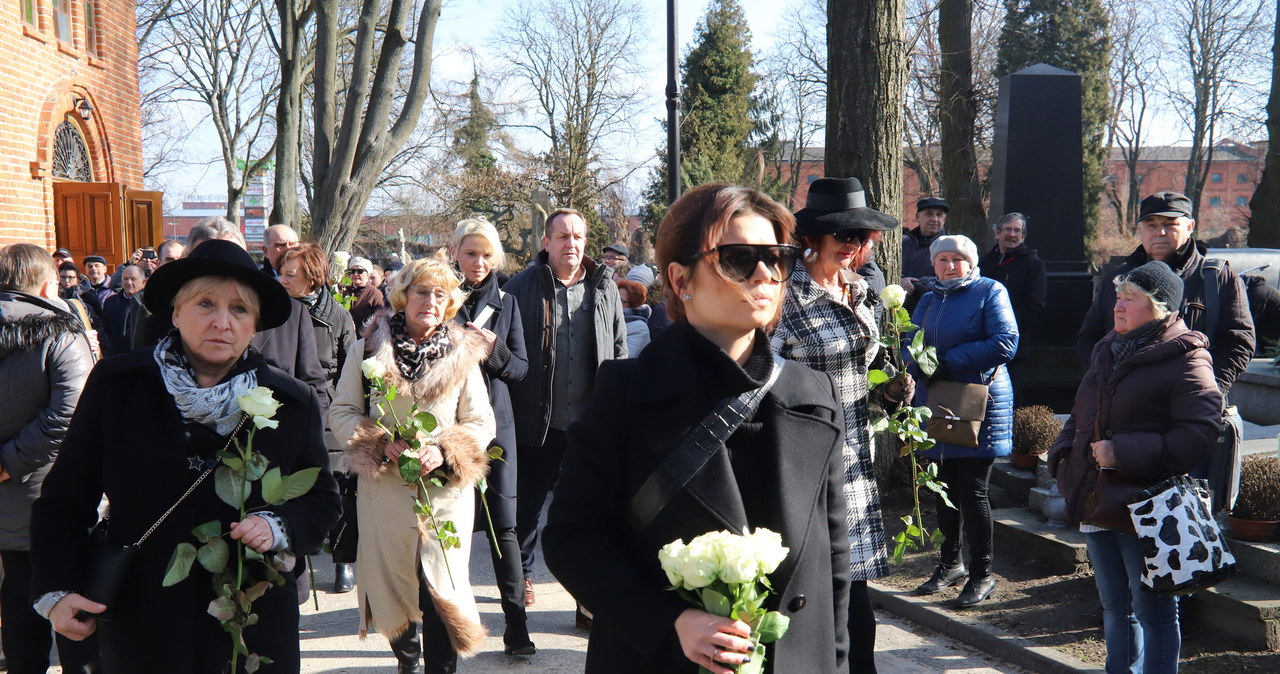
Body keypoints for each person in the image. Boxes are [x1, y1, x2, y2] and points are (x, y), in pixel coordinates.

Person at [543, 183, 850, 673]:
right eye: (739, 258)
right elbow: (570, 538)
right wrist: (670, 623)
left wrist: (834, 664)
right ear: (680, 279)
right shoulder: (626, 393)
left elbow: (834, 559)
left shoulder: (813, 394)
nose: (766, 274)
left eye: (778, 258)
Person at [31, 239, 341, 672]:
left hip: (250, 625)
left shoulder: (290, 401)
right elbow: (65, 499)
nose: (222, 322)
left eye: (239, 310)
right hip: (144, 615)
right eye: (206, 304)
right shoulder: (120, 385)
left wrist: (278, 526)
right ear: (176, 312)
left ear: (255, 325)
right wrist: (57, 590)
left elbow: (323, 501)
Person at [1049, 261, 1222, 674]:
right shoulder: (1107, 347)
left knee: (1154, 610)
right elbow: (1081, 412)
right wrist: (1061, 456)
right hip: (1097, 496)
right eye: (1118, 296)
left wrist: (1123, 452)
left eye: (1130, 298)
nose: (1118, 306)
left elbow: (1199, 433)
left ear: (1160, 307)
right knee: (1114, 606)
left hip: (1147, 505)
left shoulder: (1187, 359)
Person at [330, 257, 496, 674]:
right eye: (422, 291)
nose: (431, 301)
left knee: (441, 589)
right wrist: (379, 442)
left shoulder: (462, 354)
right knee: (393, 589)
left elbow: (480, 422)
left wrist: (444, 449)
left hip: (444, 496)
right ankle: (407, 663)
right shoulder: (366, 350)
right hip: (384, 493)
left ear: (451, 303)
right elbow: (342, 412)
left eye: (441, 294)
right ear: (403, 296)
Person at [771, 176, 906, 674]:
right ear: (813, 238)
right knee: (811, 593)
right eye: (845, 236)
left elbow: (859, 385)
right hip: (802, 463)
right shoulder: (783, 297)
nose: (855, 246)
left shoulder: (862, 294)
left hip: (854, 462)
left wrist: (888, 395)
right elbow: (761, 385)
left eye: (863, 237)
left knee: (856, 600)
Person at [1077, 192, 1253, 511]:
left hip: (1184, 425)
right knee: (1115, 520)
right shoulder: (1118, 278)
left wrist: (1205, 390)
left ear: (1190, 227)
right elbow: (1090, 335)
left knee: (1178, 525)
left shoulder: (1214, 276)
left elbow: (1239, 340)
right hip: (1123, 425)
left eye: (1170, 224)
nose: (1160, 232)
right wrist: (1101, 388)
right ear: (1140, 230)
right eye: (1151, 224)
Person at [503, 208, 627, 610]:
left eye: (577, 237)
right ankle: (521, 577)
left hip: (590, 425)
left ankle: (586, 598)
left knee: (589, 513)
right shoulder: (521, 288)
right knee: (526, 510)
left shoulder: (604, 287)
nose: (571, 244)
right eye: (562, 237)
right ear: (547, 243)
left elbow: (620, 348)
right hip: (538, 423)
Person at [0, 244, 98, 674]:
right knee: (70, 605)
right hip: (52, 498)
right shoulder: (61, 331)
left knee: (20, 602)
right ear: (45, 285)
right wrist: (9, 461)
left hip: (18, 503)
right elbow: (71, 414)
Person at [909, 234, 1018, 607]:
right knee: (942, 488)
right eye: (942, 259)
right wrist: (916, 362)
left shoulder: (990, 290)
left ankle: (982, 573)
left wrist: (948, 360)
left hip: (978, 403)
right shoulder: (928, 297)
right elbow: (912, 342)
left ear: (970, 263)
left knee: (971, 490)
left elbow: (1006, 341)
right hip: (937, 401)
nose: (949, 265)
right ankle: (949, 563)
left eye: (957, 259)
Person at [447, 219, 536, 656]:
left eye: (486, 255)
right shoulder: (440, 297)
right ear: (456, 253)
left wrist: (493, 348)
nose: (478, 263)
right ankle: (452, 629)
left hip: (498, 431)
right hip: (449, 430)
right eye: (470, 254)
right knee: (450, 529)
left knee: (505, 529)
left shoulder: (509, 303)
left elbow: (521, 369)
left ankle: (517, 629)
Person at [277, 242, 359, 592]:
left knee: (338, 487)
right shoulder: (276, 312)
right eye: (281, 272)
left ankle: (343, 561)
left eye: (290, 275)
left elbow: (351, 369)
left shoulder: (338, 316)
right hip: (284, 409)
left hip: (328, 411)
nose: (281, 279)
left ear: (312, 278)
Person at [979, 212, 1047, 398]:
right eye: (1008, 229)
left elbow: (1034, 305)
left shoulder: (1033, 264)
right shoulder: (985, 263)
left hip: (1014, 345)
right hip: (982, 341)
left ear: (1023, 236)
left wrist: (1004, 326)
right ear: (997, 234)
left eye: (1017, 231)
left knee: (1008, 396)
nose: (1012, 234)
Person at [900, 196, 949, 295]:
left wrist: (915, 286)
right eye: (929, 214)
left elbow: (947, 280)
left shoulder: (948, 248)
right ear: (917, 217)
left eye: (939, 215)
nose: (934, 219)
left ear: (944, 219)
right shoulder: (904, 243)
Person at [101, 265, 147, 356]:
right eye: (125, 279)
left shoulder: (149, 303)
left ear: (143, 282)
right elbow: (105, 330)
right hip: (116, 356)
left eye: (133, 279)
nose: (129, 282)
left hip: (142, 356)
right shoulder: (110, 302)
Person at [616, 279, 652, 356]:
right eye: (615, 299)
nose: (615, 304)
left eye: (621, 301)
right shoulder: (610, 318)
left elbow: (627, 357)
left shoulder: (640, 328)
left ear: (633, 304)